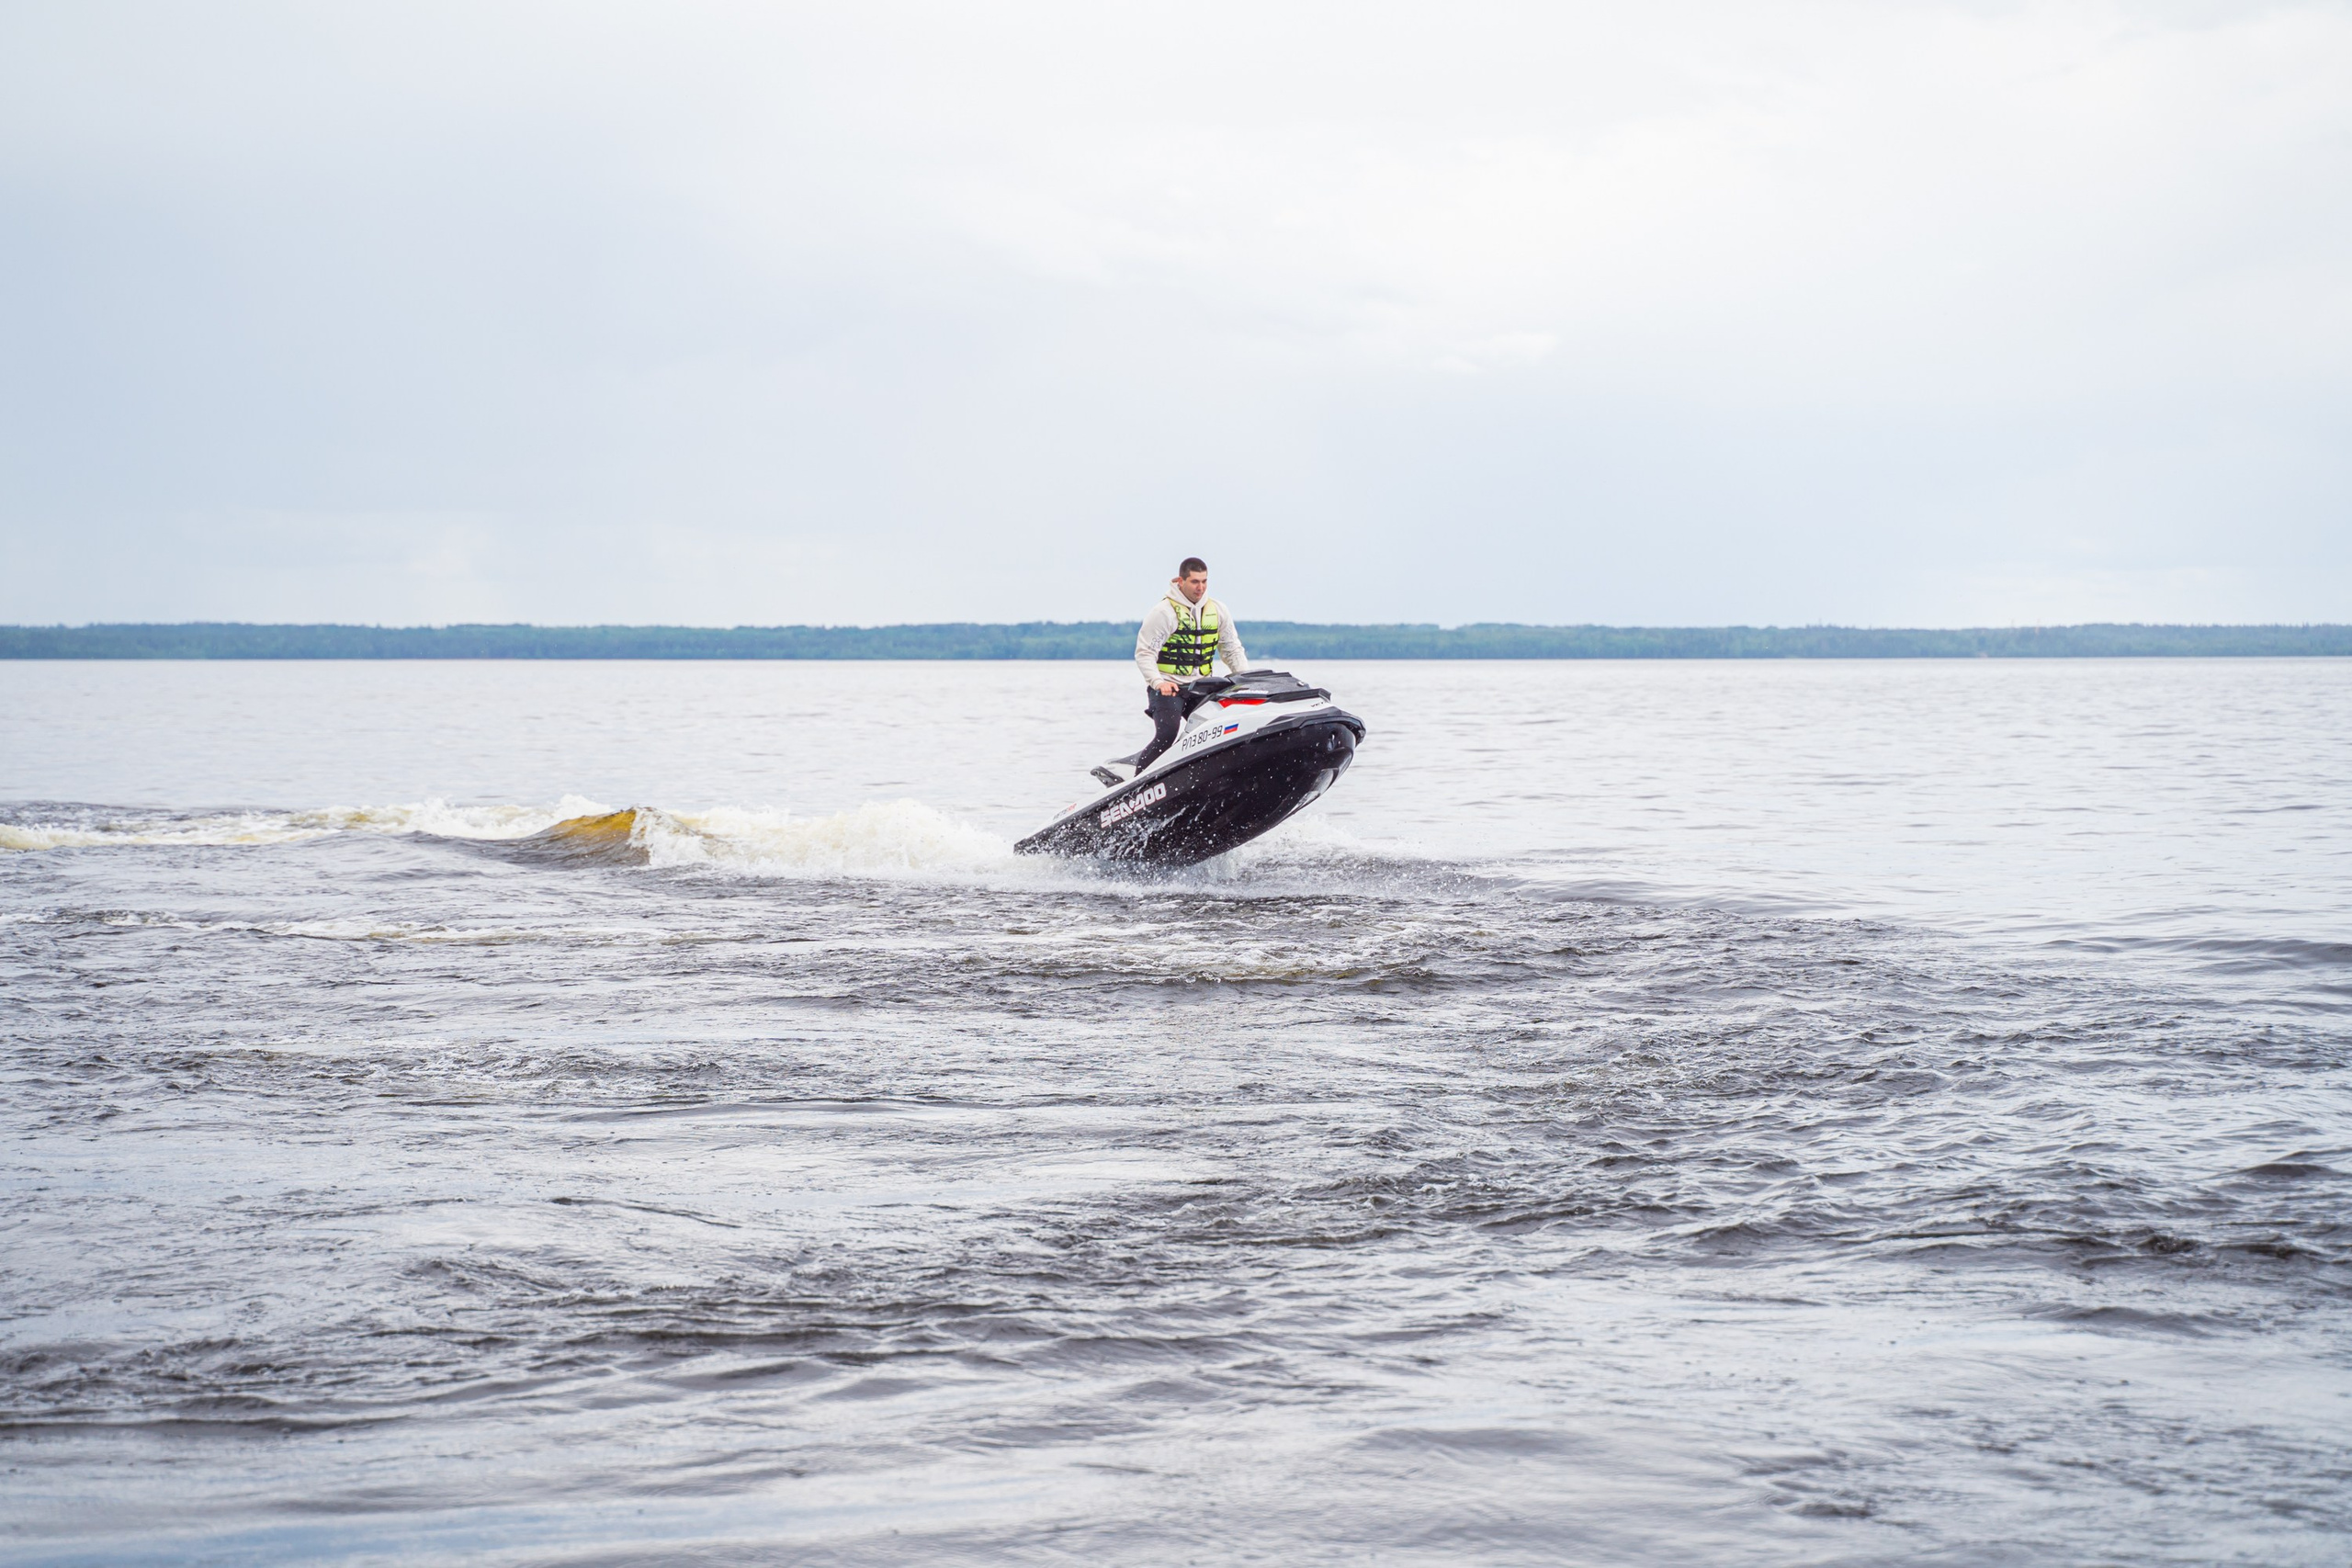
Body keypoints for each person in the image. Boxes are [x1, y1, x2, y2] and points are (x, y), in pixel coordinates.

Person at [1131, 557, 1250, 771]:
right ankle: (1137, 786)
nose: (1200, 587)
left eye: (1204, 581)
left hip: (1202, 687)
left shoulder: (1218, 610)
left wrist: (1245, 677)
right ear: (1180, 581)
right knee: (1168, 734)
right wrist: (1158, 682)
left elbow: (1231, 649)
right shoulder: (1164, 612)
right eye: (1195, 582)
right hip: (1169, 688)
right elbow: (1145, 653)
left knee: (1220, 731)